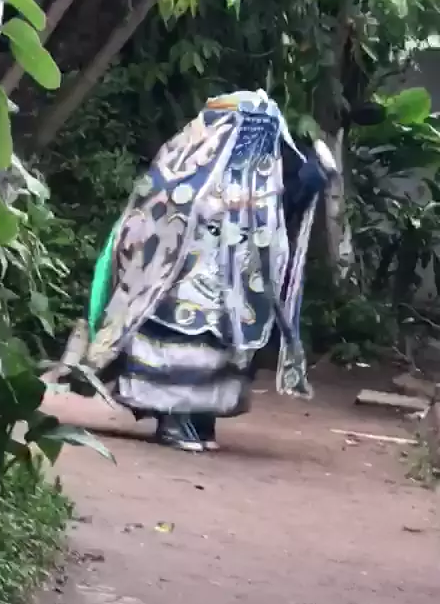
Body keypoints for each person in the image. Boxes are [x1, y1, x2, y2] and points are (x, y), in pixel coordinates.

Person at [60, 90, 337, 451]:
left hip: (233, 294)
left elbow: (286, 208)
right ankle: (173, 421)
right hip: (179, 285)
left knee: (219, 356)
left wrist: (315, 174)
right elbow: (151, 219)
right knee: (180, 350)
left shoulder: (260, 182)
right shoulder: (184, 171)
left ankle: (200, 421)